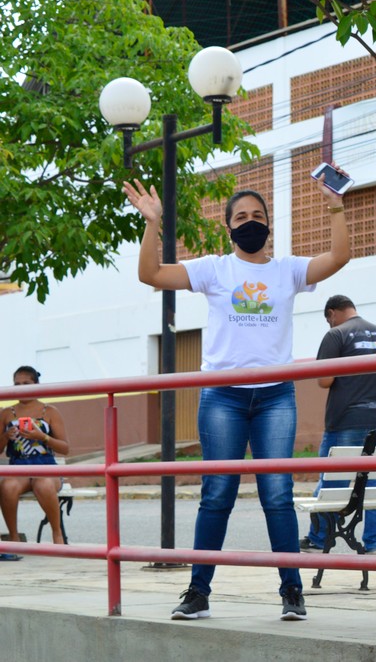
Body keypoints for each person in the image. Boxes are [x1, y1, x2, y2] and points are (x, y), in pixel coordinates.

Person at [123, 168, 350, 623]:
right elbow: (150, 273)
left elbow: (338, 258)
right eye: (241, 216)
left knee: (277, 494)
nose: (251, 221)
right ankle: (198, 592)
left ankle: (292, 591)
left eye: (258, 215)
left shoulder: (287, 271)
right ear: (228, 226)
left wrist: (336, 205)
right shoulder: (214, 269)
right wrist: (152, 223)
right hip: (222, 396)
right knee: (217, 494)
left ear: (269, 225)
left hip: (275, 398)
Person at [300, 295, 376, 555]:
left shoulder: (337, 335)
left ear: (332, 313)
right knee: (375, 483)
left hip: (347, 420)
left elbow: (324, 380)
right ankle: (375, 543)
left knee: (333, 480)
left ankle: (319, 539)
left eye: (328, 320)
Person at [1, 365, 70, 549]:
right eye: (17, 384)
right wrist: (6, 436)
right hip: (18, 466)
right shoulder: (7, 413)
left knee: (44, 483)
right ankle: (13, 539)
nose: (21, 387)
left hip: (46, 466)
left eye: (27, 383)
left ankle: (57, 535)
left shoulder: (50, 411)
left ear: (37, 385)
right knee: (7, 486)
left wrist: (43, 437)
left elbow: (65, 448)